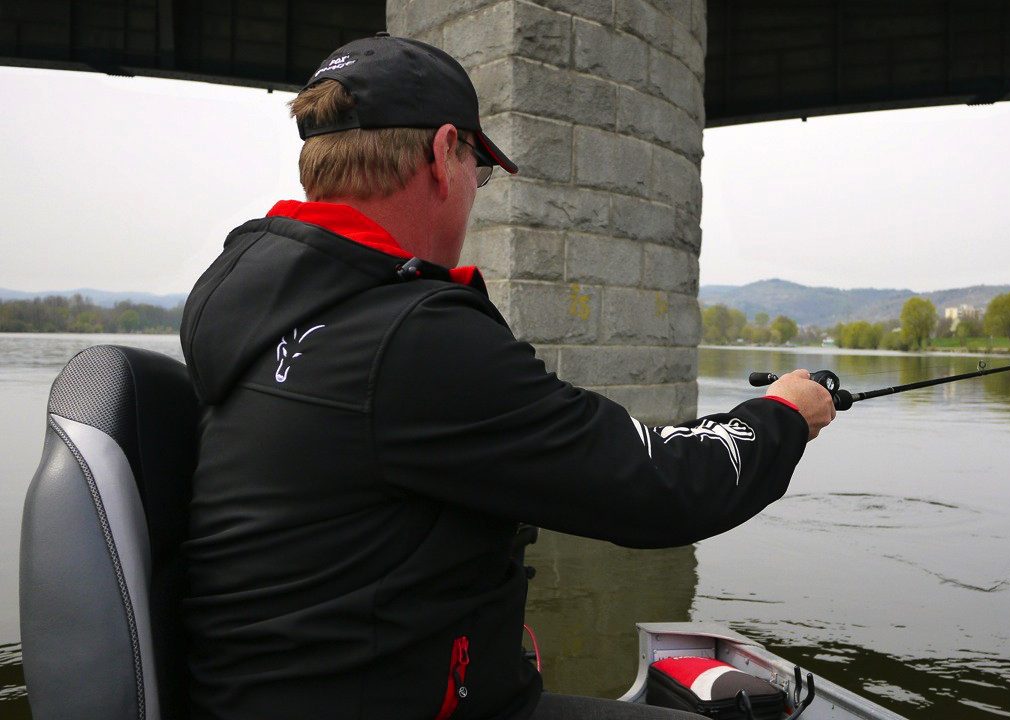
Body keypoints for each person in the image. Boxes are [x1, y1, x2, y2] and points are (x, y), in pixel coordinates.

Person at [179, 33, 835, 720]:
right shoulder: (410, 340)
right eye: (478, 167)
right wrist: (785, 414)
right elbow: (658, 487)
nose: (473, 191)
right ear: (441, 154)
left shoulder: (264, 312)